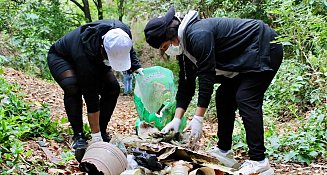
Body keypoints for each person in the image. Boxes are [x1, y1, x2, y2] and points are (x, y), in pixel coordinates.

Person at [144, 7, 283, 175]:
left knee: (246, 98)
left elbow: (206, 77)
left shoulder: (197, 34)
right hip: (244, 60)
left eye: (166, 45)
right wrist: (176, 119)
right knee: (224, 96)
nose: (168, 49)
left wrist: (198, 118)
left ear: (170, 34)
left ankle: (259, 161)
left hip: (264, 45)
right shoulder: (185, 50)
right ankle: (224, 151)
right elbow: (186, 84)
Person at [47, 20, 143, 152]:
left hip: (96, 57)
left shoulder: (122, 32)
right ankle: (78, 135)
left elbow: (127, 48)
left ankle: (103, 130)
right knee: (73, 87)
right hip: (62, 57)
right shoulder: (84, 52)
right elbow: (91, 96)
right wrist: (95, 136)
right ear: (103, 47)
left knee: (113, 88)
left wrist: (136, 67)